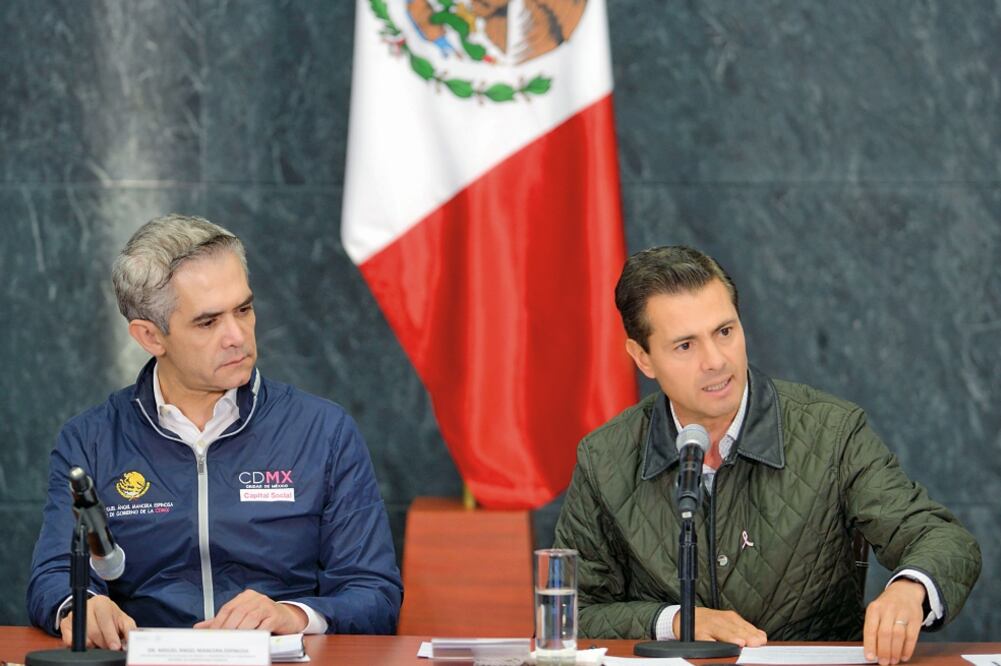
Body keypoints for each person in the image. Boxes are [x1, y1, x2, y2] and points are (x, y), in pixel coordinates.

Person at [553, 246, 980, 665]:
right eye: (686, 346)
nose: (716, 361)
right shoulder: (604, 457)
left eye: (725, 332)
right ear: (643, 358)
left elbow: (940, 537)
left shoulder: (831, 434)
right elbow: (568, 614)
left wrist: (910, 588)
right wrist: (675, 621)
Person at [27, 214, 403, 650]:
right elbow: (52, 576)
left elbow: (374, 594)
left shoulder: (324, 432)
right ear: (150, 337)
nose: (237, 337)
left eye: (243, 310)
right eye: (208, 322)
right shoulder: (91, 440)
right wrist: (79, 606)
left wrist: (294, 615)